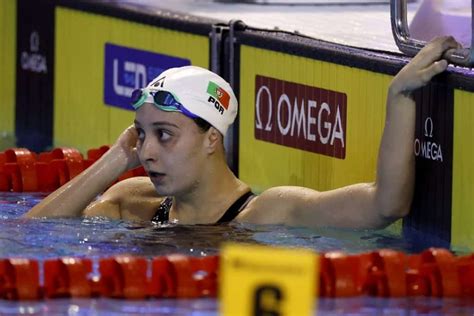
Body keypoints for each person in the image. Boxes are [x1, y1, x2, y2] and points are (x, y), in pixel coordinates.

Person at [25, 36, 459, 228]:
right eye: (142, 135)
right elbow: (32, 234)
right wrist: (119, 157)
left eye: (165, 134)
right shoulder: (134, 201)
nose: (149, 151)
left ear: (212, 138)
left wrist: (399, 96)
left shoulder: (270, 213)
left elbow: (386, 205)